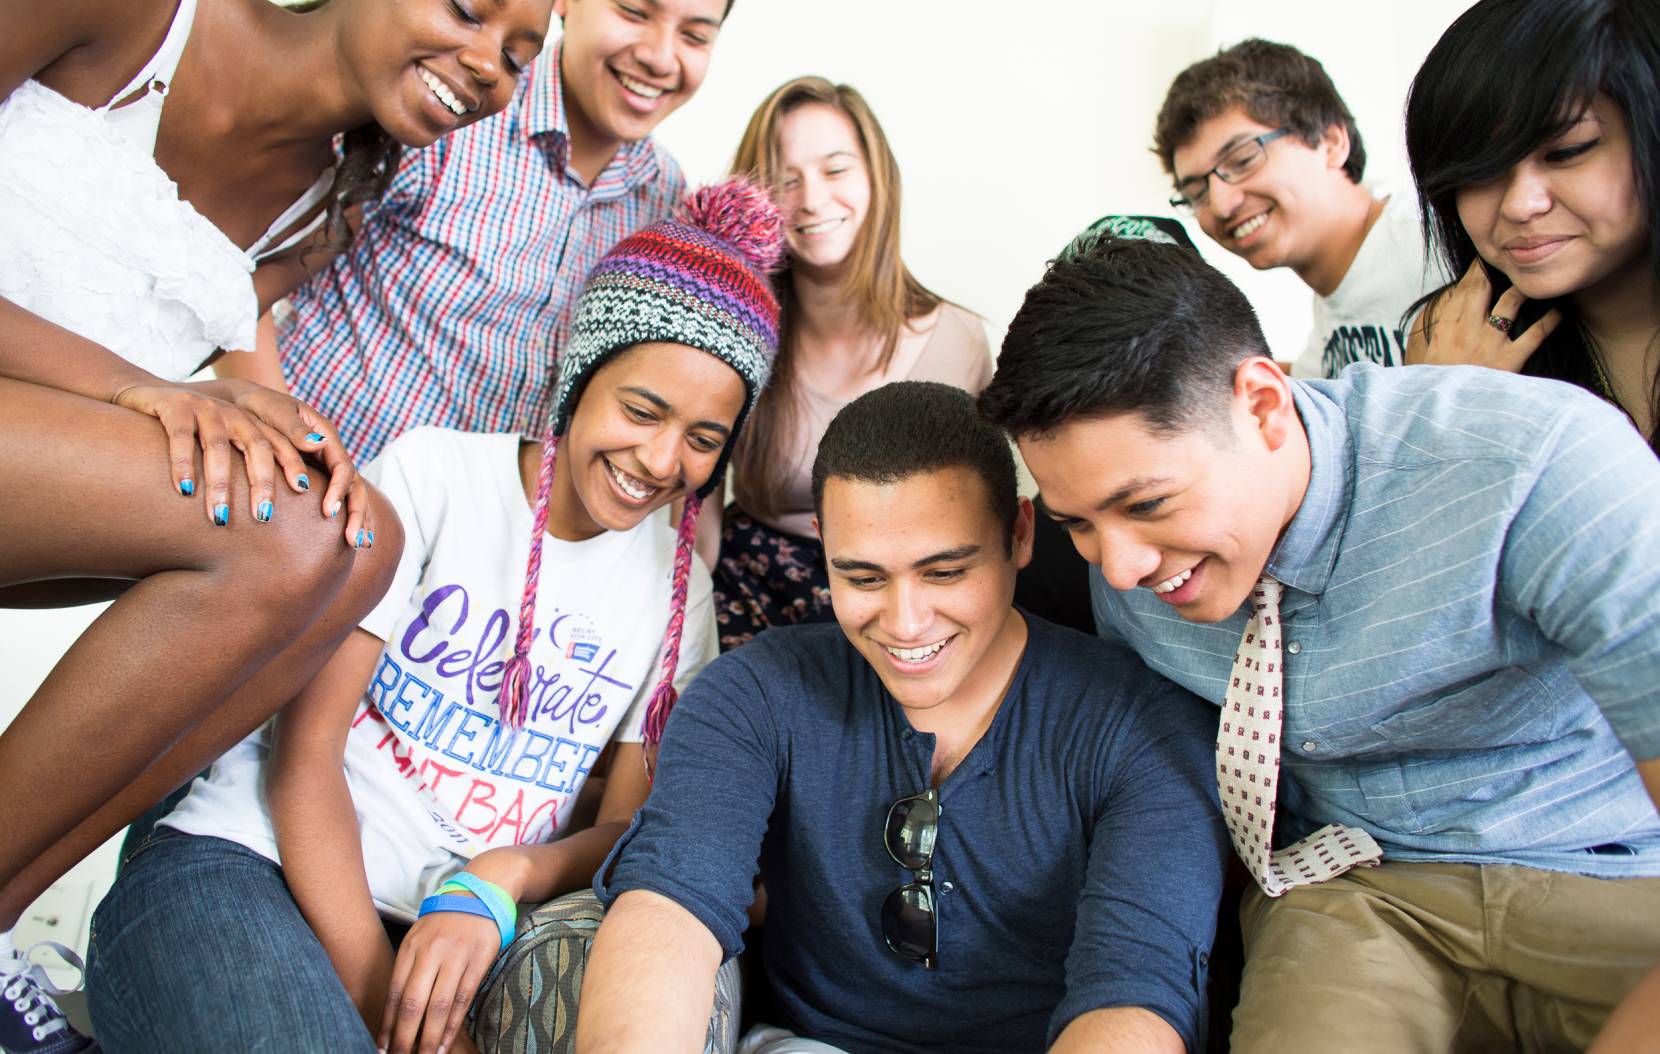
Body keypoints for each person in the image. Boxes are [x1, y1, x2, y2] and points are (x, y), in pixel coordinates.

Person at [84, 180, 783, 1054]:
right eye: (641, 409)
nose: (660, 458)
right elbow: (302, 763)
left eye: (703, 437)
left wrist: (502, 876)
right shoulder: (432, 476)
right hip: (252, 868)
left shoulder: (681, 595)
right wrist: (387, 1006)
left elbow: (627, 834)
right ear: (580, 372)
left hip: (448, 934)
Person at [0, 0, 553, 1047]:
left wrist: (303, 437)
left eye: (521, 57)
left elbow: (247, 377)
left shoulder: (328, 199)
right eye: (471, 10)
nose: (488, 62)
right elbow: (167, 393)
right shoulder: (139, 14)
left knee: (355, 542)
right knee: (293, 532)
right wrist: (137, 390)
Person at [977, 234, 1660, 1052]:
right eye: (1077, 523)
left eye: (1149, 504)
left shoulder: (1534, 462)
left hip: (1607, 873)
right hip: (1356, 890)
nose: (1118, 570)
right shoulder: (1135, 573)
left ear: (1263, 406)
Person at [576, 381, 1228, 1054]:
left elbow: (1135, 997)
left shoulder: (1144, 726)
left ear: (1020, 534)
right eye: (862, 579)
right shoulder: (754, 693)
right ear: (824, 545)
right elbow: (669, 904)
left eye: (945, 573)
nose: (905, 623)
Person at [227, 0, 734, 462]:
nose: (660, 57)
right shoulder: (451, 95)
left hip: (462, 544)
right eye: (634, 11)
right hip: (319, 480)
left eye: (694, 35)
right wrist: (287, 453)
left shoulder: (665, 197)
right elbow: (238, 266)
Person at [712, 76, 993, 651]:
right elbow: (698, 527)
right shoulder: (734, 334)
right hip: (751, 600)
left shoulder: (959, 341)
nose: (811, 199)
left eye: (835, 170)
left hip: (908, 615)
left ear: (877, 177)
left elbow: (984, 527)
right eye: (785, 180)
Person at [1403, 0, 1660, 456]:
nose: (1520, 205)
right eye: (1480, 171)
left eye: (1566, 152)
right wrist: (1448, 410)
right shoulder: (1451, 345)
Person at [1154, 39, 1447, 378]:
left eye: (1243, 160)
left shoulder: (1432, 244)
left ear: (1331, 142)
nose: (1220, 205)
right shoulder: (1332, 316)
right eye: (1196, 192)